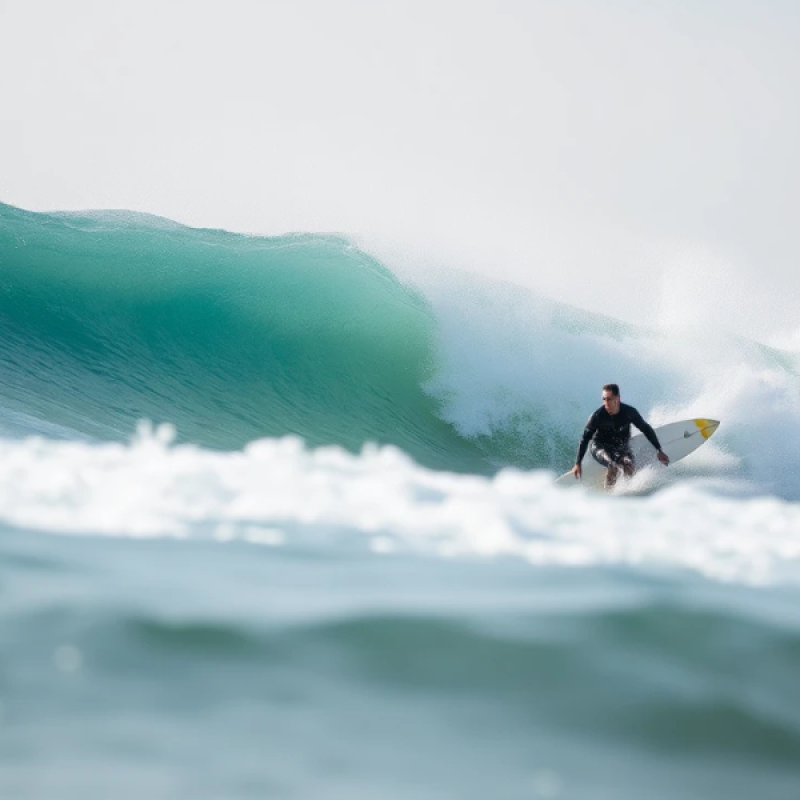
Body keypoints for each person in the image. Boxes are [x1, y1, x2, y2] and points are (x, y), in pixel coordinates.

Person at [571, 383, 669, 488]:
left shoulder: (629, 412)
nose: (605, 403)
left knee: (629, 465)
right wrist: (578, 463)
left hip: (620, 446)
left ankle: (626, 490)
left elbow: (646, 429)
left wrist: (659, 449)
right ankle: (609, 492)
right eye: (604, 399)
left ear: (617, 399)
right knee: (613, 465)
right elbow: (585, 439)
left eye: (609, 399)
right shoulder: (597, 416)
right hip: (600, 447)